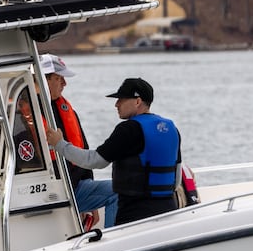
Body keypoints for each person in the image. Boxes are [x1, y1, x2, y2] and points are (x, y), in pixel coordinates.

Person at [45, 77, 181, 226]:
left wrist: (59, 144)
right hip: (169, 211)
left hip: (134, 214)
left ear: (137, 101)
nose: (116, 104)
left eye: (121, 99)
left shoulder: (128, 129)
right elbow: (177, 179)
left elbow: (94, 160)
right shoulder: (172, 128)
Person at [38, 54, 118, 226]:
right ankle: (113, 246)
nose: (64, 84)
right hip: (47, 194)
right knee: (118, 191)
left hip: (73, 188)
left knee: (119, 189)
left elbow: (83, 151)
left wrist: (92, 204)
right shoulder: (22, 115)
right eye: (59, 79)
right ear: (43, 80)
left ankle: (111, 243)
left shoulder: (66, 110)